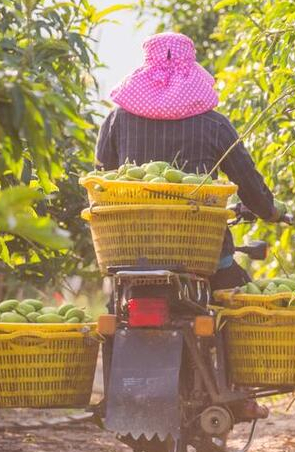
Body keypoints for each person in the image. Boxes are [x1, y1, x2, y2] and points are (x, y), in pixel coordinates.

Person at [94, 31, 280, 290]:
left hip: (132, 250)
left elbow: (102, 180)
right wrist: (269, 210)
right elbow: (245, 178)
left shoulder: (117, 120)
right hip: (204, 250)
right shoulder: (214, 123)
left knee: (114, 315)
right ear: (191, 66)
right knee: (237, 305)